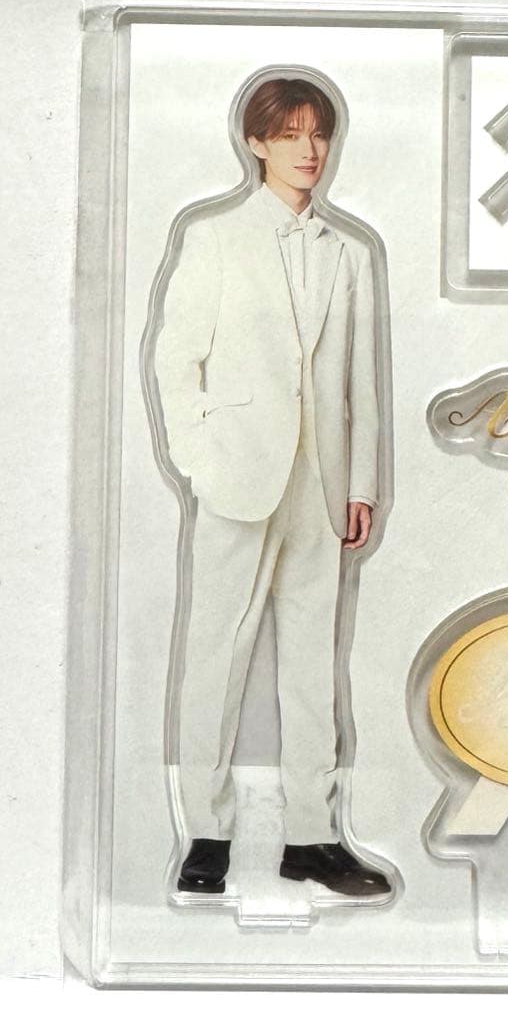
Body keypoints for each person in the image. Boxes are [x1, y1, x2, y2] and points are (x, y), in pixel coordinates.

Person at [153, 76, 390, 897]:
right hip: (237, 478)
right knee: (215, 657)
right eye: (290, 134)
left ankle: (312, 839)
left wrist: (361, 484)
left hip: (320, 485)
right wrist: (199, 460)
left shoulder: (348, 253)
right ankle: (206, 836)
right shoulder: (215, 237)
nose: (309, 150)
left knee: (314, 667)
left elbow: (361, 382)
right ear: (255, 143)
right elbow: (175, 360)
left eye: (318, 133)